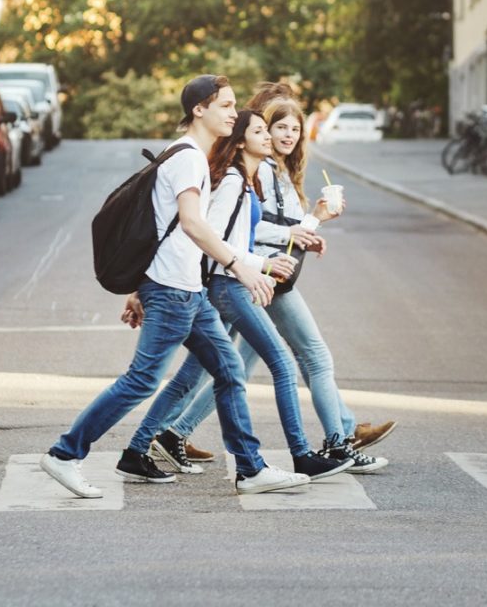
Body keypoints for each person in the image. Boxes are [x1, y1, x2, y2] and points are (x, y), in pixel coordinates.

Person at [39, 75, 311, 497]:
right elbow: (192, 223)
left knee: (228, 370)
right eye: (226, 105)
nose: (233, 113)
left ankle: (251, 468)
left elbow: (164, 229)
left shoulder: (189, 157)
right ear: (199, 110)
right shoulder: (187, 158)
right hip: (172, 292)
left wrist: (137, 288)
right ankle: (64, 453)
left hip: (189, 290)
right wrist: (242, 264)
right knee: (142, 380)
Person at [150, 91, 396, 473]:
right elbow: (248, 227)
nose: (285, 135)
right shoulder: (256, 170)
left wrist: (313, 224)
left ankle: (169, 434)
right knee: (307, 355)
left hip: (261, 276)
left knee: (228, 366)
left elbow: (284, 228)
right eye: (276, 128)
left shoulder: (277, 170)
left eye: (294, 128)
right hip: (256, 276)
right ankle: (335, 442)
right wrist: (282, 244)